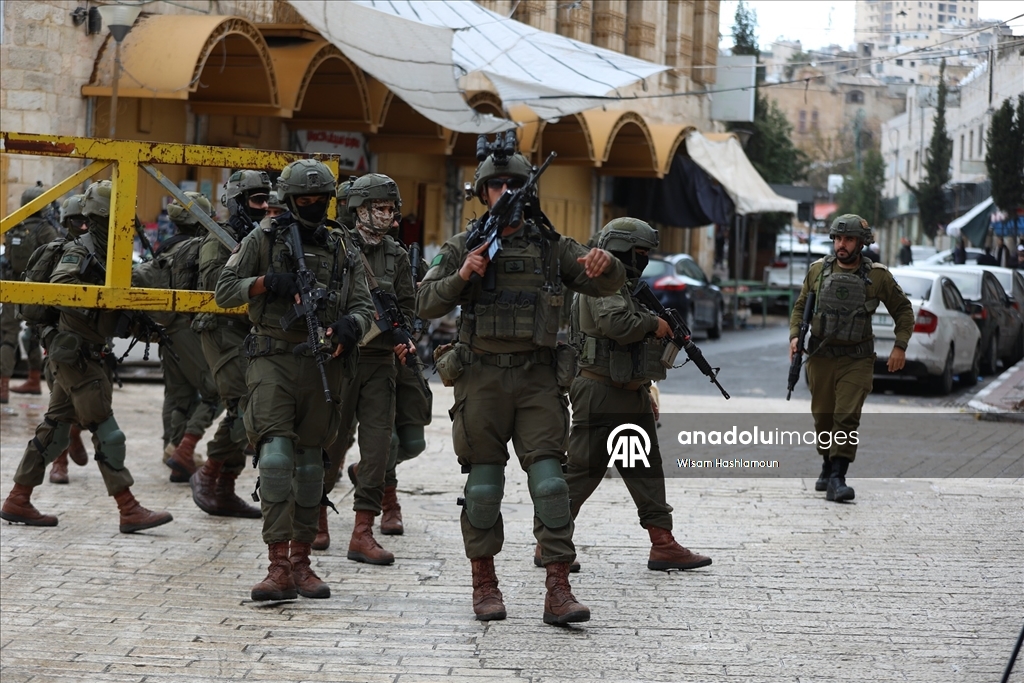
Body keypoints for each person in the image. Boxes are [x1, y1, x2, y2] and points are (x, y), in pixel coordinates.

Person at [416, 134, 626, 625]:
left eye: (515, 184)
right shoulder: (464, 244)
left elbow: (606, 281)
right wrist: (463, 275)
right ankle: (484, 584)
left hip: (537, 379)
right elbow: (425, 303)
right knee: (485, 487)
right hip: (482, 380)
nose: (506, 191)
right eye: (497, 185)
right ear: (483, 191)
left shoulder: (550, 246)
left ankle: (558, 588)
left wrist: (607, 263)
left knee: (551, 483)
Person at [215, 159, 375, 602]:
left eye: (320, 200)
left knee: (309, 466)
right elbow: (224, 290)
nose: (312, 206)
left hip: (323, 363)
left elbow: (364, 304)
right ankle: (278, 565)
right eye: (304, 200)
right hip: (273, 358)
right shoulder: (261, 238)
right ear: (287, 199)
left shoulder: (343, 245)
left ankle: (302, 562)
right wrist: (267, 282)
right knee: (276, 459)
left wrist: (351, 327)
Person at [0, 180, 174, 532]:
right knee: (108, 432)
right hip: (77, 354)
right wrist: (100, 292)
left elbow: (111, 308)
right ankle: (128, 508)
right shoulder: (83, 251)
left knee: (55, 431)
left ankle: (18, 499)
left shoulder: (109, 249)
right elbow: (65, 291)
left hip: (79, 353)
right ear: (105, 214)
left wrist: (141, 327)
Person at [556, 218, 712, 573]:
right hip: (600, 390)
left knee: (645, 470)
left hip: (628, 390)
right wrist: (654, 325)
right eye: (638, 254)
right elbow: (617, 326)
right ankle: (549, 540)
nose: (641, 262)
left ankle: (663, 544)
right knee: (584, 470)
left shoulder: (624, 285)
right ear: (620, 249)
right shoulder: (601, 282)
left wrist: (646, 387)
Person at [319, 173, 415, 565]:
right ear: (358, 209)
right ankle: (317, 517)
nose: (388, 216)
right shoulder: (335, 247)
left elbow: (408, 308)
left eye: (391, 209)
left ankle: (362, 531)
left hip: (379, 363)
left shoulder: (398, 255)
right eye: (380, 208)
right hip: (341, 359)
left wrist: (402, 334)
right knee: (331, 444)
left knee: (378, 450)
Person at [789, 214, 914, 503]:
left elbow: (903, 311)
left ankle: (838, 477)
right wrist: (795, 337)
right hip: (821, 356)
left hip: (857, 358)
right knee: (823, 418)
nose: (841, 245)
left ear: (861, 243)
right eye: (837, 238)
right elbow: (799, 307)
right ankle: (827, 463)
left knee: (846, 417)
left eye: (848, 239)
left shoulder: (878, 276)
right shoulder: (818, 271)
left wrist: (900, 346)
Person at [189, 171, 273, 519]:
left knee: (253, 407)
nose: (265, 207)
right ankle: (208, 474)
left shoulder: (269, 233)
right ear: (238, 203)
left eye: (268, 200)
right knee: (244, 406)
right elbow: (211, 283)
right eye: (256, 200)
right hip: (221, 328)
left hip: (251, 330)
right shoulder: (219, 237)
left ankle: (224, 486)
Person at [133, 192, 223, 483]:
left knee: (177, 394)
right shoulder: (202, 248)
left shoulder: (165, 248)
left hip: (166, 331)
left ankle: (173, 451)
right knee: (218, 390)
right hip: (188, 330)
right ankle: (183, 449)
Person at [33, 194, 91, 485]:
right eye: (78, 220)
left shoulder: (102, 251)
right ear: (68, 222)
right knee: (58, 408)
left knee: (90, 406)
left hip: (92, 342)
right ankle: (60, 462)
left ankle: (76, 433)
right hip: (60, 343)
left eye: (88, 220)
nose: (84, 226)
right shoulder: (56, 251)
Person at [1, 182, 59, 403]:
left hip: (12, 286)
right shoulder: (46, 229)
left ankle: (3, 386)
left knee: (7, 335)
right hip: (37, 289)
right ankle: (34, 379)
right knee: (35, 334)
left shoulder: (14, 225)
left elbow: (7, 257)